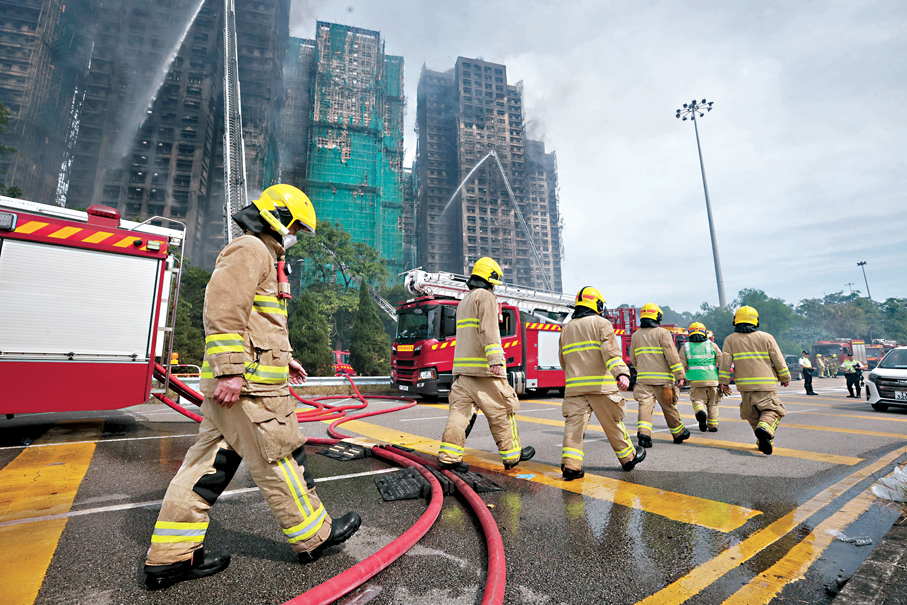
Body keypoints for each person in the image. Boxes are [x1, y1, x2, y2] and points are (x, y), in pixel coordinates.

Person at [143, 185, 361, 590]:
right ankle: (314, 536)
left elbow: (262, 322)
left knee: (206, 467)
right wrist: (229, 372)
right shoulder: (251, 250)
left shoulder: (265, 256)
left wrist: (286, 357)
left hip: (246, 385)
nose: (295, 236)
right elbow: (224, 309)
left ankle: (169, 559)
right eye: (295, 227)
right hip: (248, 390)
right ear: (279, 218)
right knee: (281, 456)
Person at [437, 257, 535, 472]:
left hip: (463, 372)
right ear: (490, 280)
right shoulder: (487, 298)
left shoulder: (464, 301)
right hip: (484, 371)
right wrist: (496, 360)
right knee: (502, 410)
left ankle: (448, 457)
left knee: (459, 415)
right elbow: (488, 330)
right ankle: (512, 456)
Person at [558, 287, 645, 479]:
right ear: (596, 304)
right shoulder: (601, 323)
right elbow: (610, 352)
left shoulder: (567, 329)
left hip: (574, 389)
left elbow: (563, 361)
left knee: (574, 429)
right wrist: (621, 373)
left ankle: (571, 466)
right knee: (613, 424)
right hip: (600, 387)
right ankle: (628, 458)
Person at [719, 306, 790, 456]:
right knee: (774, 410)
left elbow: (725, 363)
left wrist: (723, 382)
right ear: (755, 321)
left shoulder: (730, 339)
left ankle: (763, 441)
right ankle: (764, 431)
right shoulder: (766, 337)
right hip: (765, 384)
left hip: (744, 386)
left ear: (735, 321)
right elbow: (778, 359)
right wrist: (784, 377)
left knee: (752, 415)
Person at [630, 303, 689, 447]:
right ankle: (678, 433)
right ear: (657, 317)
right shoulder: (663, 333)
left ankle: (644, 435)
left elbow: (633, 358)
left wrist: (642, 370)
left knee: (644, 408)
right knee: (669, 407)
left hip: (643, 381)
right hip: (663, 382)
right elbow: (672, 356)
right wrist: (680, 375)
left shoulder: (636, 335)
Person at [678, 322, 723, 432]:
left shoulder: (686, 347)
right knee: (712, 403)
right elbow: (722, 361)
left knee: (698, 401)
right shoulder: (712, 345)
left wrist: (680, 379)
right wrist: (723, 380)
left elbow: (680, 365)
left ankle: (700, 412)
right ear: (705, 333)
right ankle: (712, 425)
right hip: (713, 380)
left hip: (695, 381)